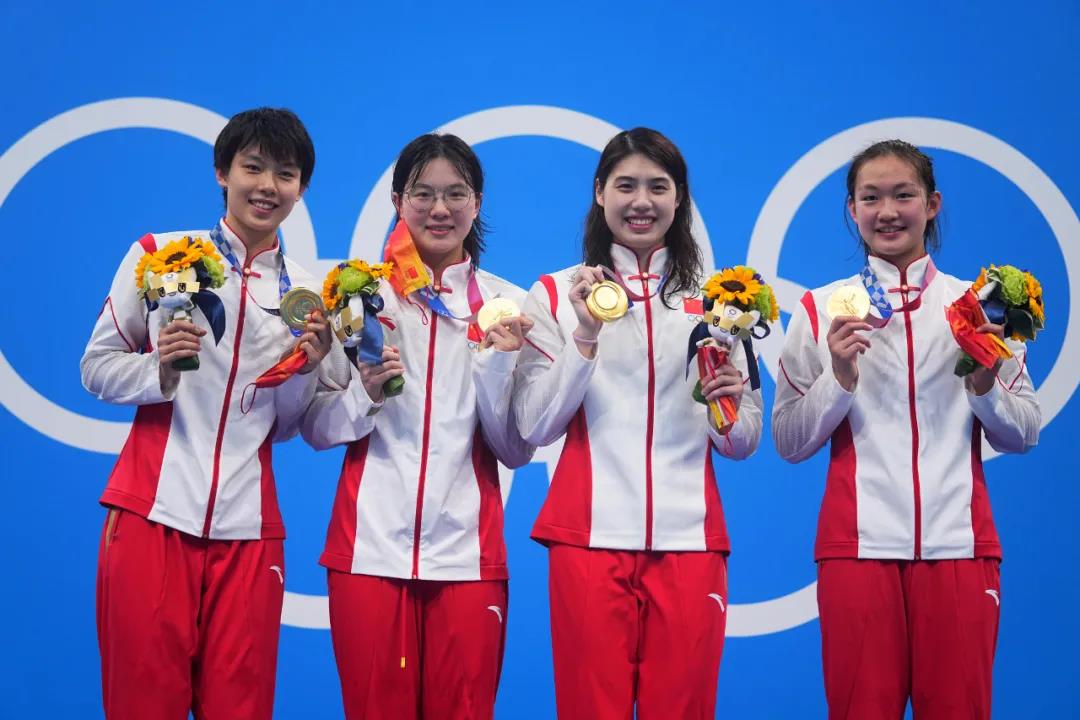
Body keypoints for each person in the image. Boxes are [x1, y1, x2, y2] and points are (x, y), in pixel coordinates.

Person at [81, 107, 339, 719]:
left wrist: (305, 371)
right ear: (222, 171)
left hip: (248, 532)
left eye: (285, 173)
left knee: (240, 708)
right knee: (143, 704)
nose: (267, 186)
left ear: (301, 189)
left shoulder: (305, 295)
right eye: (252, 167)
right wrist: (158, 373)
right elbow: (95, 368)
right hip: (152, 512)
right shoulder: (161, 255)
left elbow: (289, 424)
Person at [771, 139, 1040, 719]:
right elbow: (790, 441)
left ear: (933, 204)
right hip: (856, 552)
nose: (887, 211)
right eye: (870, 197)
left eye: (903, 195)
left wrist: (983, 378)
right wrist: (839, 377)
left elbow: (1024, 432)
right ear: (852, 210)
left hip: (960, 549)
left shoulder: (979, 307)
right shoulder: (820, 311)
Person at [512, 127, 762, 719]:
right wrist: (585, 337)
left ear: (680, 200)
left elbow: (744, 440)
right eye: (625, 185)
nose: (641, 201)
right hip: (587, 541)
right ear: (600, 193)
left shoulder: (722, 300)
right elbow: (534, 426)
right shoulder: (553, 293)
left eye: (658, 186)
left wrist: (724, 404)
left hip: (690, 541)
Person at [300, 133, 533, 720]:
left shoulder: (508, 306)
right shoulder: (357, 297)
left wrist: (498, 361)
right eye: (424, 194)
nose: (440, 209)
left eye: (456, 194)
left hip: (468, 558)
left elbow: (515, 449)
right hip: (368, 552)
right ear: (399, 201)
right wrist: (365, 394)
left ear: (476, 204)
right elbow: (317, 429)